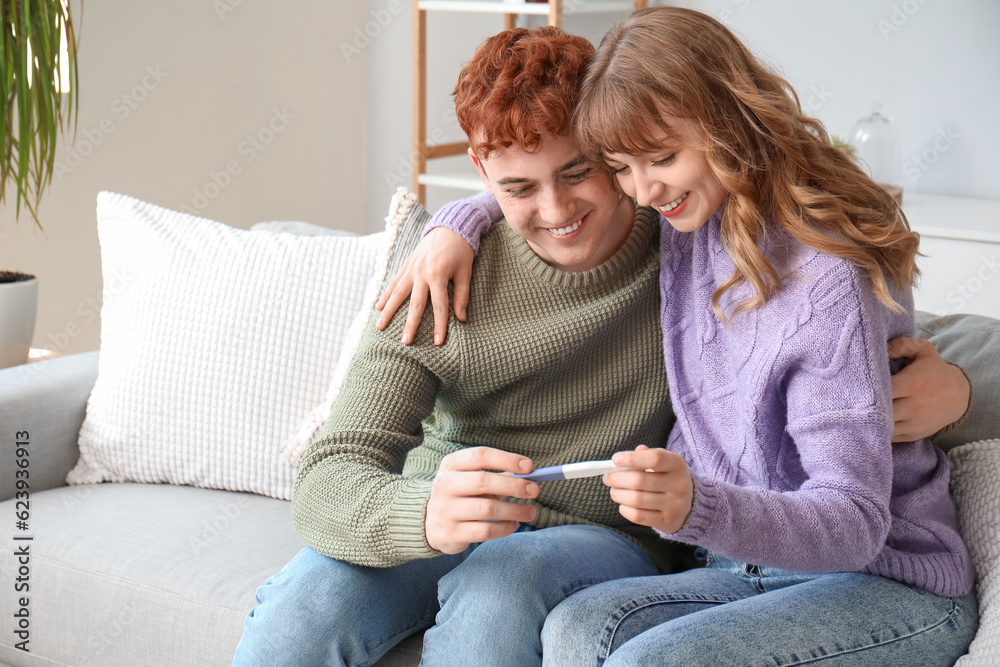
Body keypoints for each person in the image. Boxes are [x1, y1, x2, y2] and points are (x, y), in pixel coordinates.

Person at [376, 8, 978, 665]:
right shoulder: (690, 218)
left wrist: (699, 505)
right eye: (623, 165)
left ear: (730, 122)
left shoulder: (827, 277)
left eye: (662, 157)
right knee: (575, 628)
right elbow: (550, 188)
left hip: (883, 578)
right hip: (744, 565)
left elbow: (856, 525)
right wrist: (456, 222)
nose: (643, 187)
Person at [233, 27, 692, 667]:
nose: (557, 210)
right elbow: (330, 473)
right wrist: (424, 514)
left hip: (605, 532)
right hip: (446, 510)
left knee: (497, 588)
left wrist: (886, 356)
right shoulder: (441, 277)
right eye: (519, 189)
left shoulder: (685, 245)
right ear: (481, 171)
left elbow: (814, 266)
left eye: (577, 172)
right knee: (297, 614)